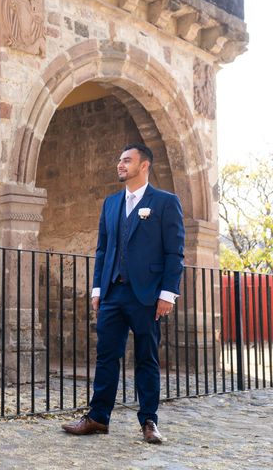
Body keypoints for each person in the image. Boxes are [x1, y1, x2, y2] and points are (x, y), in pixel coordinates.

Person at [62, 143, 185, 444]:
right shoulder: (111, 203)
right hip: (113, 293)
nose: (120, 165)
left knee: (146, 358)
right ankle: (98, 418)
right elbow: (103, 249)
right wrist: (97, 289)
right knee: (106, 356)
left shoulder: (166, 202)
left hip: (147, 295)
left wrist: (168, 293)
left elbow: (174, 252)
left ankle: (149, 422)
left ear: (144, 166)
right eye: (119, 160)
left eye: (127, 160)